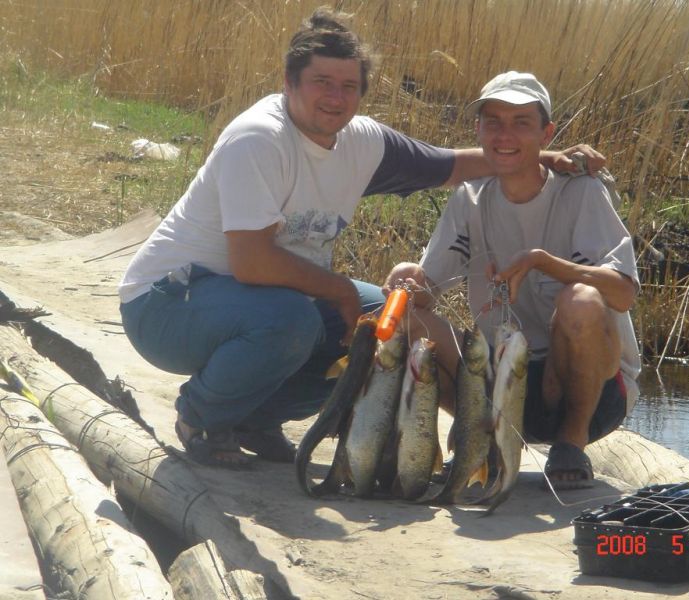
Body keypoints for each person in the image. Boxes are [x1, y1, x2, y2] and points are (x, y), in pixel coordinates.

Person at [118, 8, 605, 468]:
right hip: (165, 305)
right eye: (321, 83)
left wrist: (544, 154)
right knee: (295, 321)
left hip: (256, 304)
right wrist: (340, 291)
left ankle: (255, 416)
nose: (335, 97)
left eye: (348, 86)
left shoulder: (362, 141)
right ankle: (201, 418)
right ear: (288, 83)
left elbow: (452, 165)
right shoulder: (259, 138)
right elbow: (251, 263)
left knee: (389, 318)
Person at [383, 71, 640, 490]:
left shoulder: (582, 191)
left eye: (521, 122)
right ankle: (475, 435)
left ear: (547, 133)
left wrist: (541, 262)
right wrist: (408, 282)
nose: (506, 134)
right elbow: (427, 295)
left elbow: (623, 294)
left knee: (582, 300)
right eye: (494, 122)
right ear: (479, 131)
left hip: (593, 394)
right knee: (404, 309)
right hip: (501, 382)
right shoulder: (469, 197)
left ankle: (570, 445)